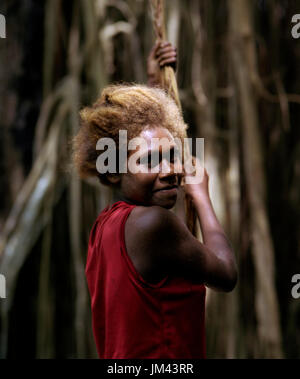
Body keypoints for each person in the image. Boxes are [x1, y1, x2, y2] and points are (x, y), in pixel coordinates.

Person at [72, 41, 238, 359]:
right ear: (113, 173)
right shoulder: (155, 224)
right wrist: (201, 197)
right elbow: (226, 274)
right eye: (151, 162)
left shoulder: (105, 227)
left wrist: (155, 85)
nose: (171, 171)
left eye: (173, 155)